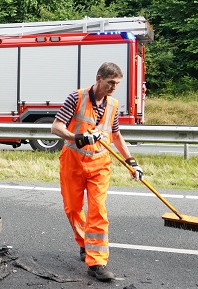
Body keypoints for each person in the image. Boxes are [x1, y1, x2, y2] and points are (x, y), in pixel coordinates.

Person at [50, 62, 144, 282]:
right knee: (73, 209)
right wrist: (77, 137)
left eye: (117, 84)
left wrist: (132, 162)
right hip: (73, 162)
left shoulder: (113, 105)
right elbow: (55, 127)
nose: (113, 87)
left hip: (100, 165)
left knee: (98, 210)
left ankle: (97, 262)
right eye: (110, 82)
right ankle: (85, 243)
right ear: (99, 78)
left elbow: (116, 136)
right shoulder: (76, 97)